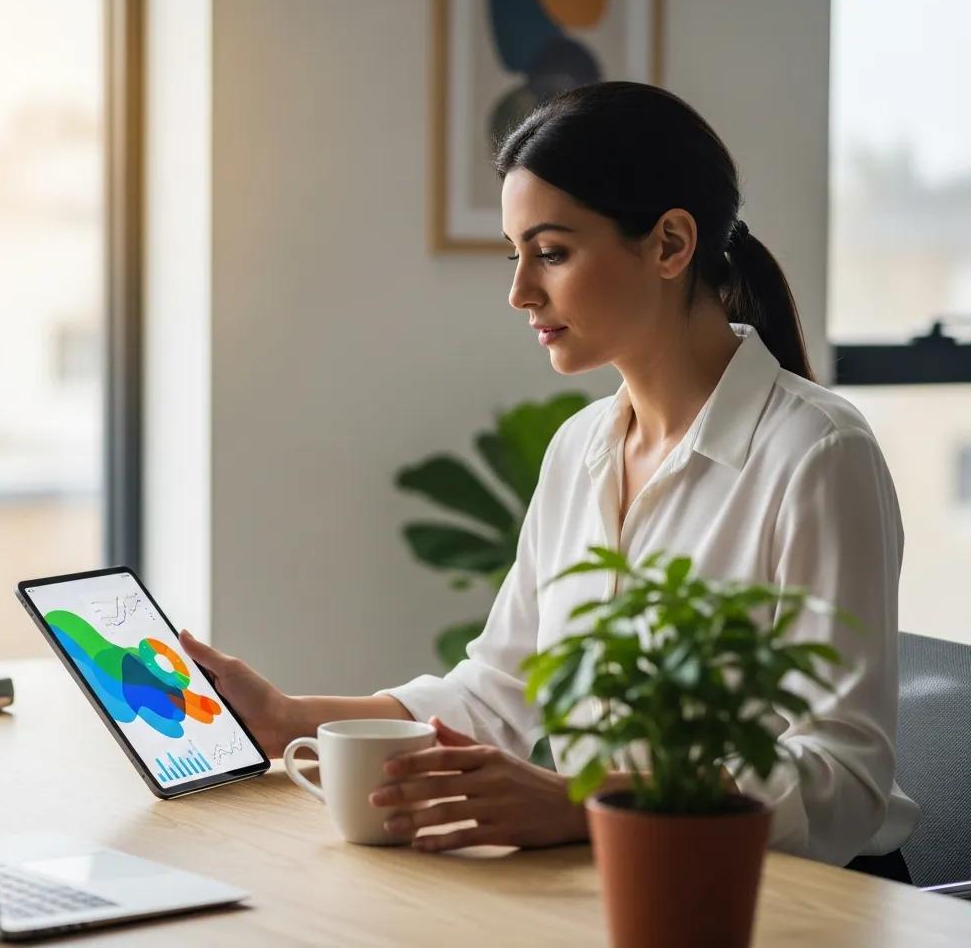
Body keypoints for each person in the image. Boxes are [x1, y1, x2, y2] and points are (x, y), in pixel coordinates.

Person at [179, 81, 921, 881]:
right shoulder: (580, 450)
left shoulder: (817, 453)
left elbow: (842, 780)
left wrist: (581, 803)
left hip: (784, 897)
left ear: (670, 244)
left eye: (553, 252)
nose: (519, 291)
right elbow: (500, 689)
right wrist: (288, 717)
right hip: (616, 875)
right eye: (515, 253)